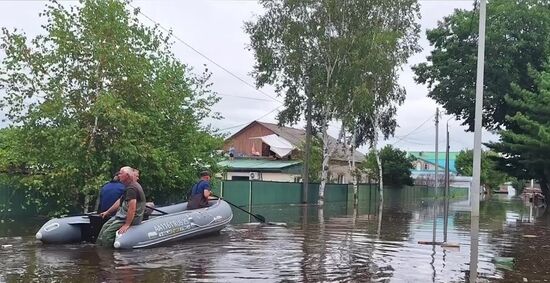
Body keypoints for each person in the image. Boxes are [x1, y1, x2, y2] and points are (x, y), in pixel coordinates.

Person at [97, 166, 146, 247]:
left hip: (129, 218)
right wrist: (108, 212)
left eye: (120, 173)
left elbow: (132, 208)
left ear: (127, 175)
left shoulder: (132, 188)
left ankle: (107, 256)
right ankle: (98, 249)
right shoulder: (127, 186)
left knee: (107, 235)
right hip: (121, 216)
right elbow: (120, 201)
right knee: (104, 227)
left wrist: (127, 224)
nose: (118, 175)